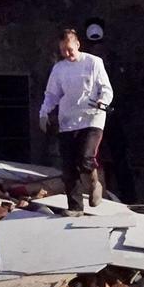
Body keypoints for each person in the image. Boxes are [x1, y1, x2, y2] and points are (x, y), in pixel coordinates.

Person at [39, 27, 114, 215]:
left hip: (92, 118)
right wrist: (44, 113)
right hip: (68, 121)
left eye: (70, 49)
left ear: (78, 44)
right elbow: (51, 95)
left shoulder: (94, 63)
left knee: (85, 157)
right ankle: (75, 207)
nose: (67, 53)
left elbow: (106, 89)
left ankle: (95, 183)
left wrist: (102, 101)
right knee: (68, 166)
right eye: (63, 50)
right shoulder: (59, 69)